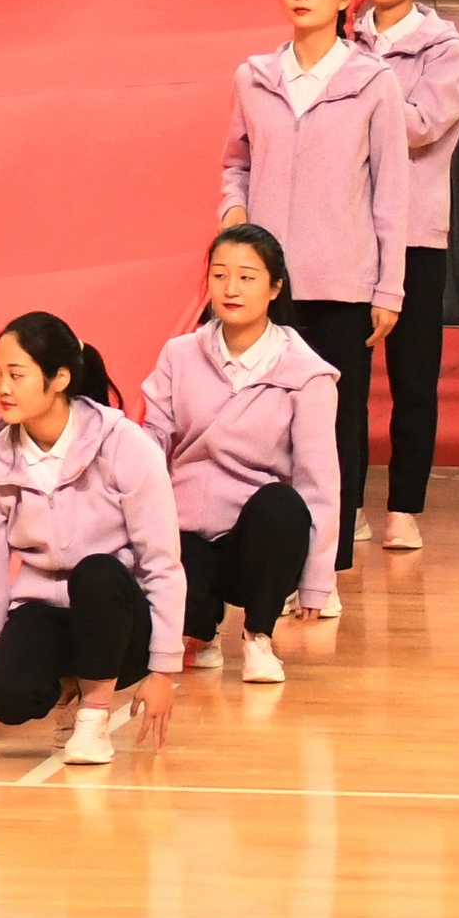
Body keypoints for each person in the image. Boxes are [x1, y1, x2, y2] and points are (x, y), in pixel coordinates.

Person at [220, 0, 413, 595]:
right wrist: (233, 213)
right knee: (261, 422)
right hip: (265, 287)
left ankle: (325, 567)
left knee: (336, 423)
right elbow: (236, 162)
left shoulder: (373, 82)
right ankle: (265, 558)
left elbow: (391, 190)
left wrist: (389, 287)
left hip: (342, 282)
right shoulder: (254, 77)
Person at [0, 311, 181, 765]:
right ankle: (68, 689)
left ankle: (95, 714)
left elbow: (161, 562)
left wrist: (163, 670)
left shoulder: (124, 444)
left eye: (17, 375)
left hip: (119, 620)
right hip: (48, 612)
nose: (3, 388)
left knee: (96, 572)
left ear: (59, 378)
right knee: (4, 695)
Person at [148, 223, 338, 687]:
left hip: (256, 540)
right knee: (177, 599)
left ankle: (258, 636)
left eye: (247, 277)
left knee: (284, 505)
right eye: (220, 275)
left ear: (275, 287)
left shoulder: (307, 374)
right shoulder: (178, 354)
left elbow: (319, 482)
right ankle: (201, 631)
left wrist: (317, 581)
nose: (231, 288)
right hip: (186, 532)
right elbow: (151, 445)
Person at [351, 0, 459, 553]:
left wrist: (363, 89)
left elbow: (421, 126)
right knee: (340, 380)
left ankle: (403, 508)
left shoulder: (443, 48)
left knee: (413, 377)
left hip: (415, 235)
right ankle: (346, 506)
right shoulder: (344, 37)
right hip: (346, 233)